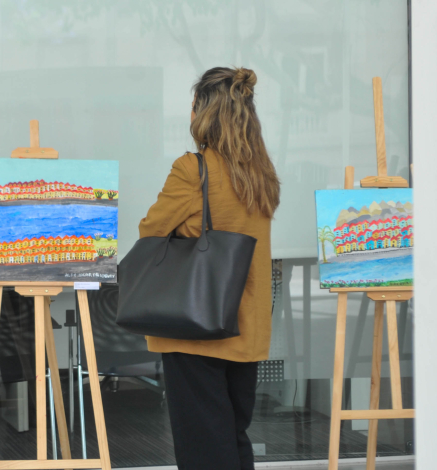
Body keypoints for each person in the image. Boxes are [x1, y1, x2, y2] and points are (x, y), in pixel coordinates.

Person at [138, 67, 280, 470]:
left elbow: (151, 229)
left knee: (203, 445)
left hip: (196, 325)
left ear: (203, 111)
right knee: (233, 437)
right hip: (246, 326)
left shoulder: (193, 169)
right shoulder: (261, 174)